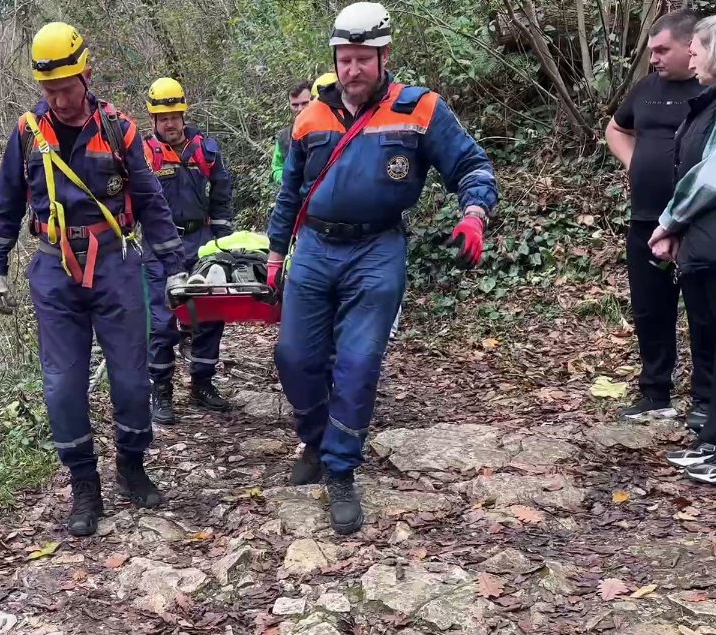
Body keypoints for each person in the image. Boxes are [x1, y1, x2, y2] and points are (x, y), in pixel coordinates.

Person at [266, 1, 498, 534]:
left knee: (358, 360)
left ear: (383, 56)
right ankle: (316, 437)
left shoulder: (419, 110)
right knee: (294, 356)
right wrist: (277, 254)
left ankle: (341, 468)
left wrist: (474, 214)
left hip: (378, 250)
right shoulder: (310, 118)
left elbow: (471, 164)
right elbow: (289, 195)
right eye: (344, 59)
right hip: (316, 249)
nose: (352, 69)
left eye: (363, 59)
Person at [0, 23, 187, 537]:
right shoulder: (29, 132)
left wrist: (175, 268)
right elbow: (6, 202)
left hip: (116, 262)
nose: (59, 99)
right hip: (54, 269)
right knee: (62, 386)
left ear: (86, 75)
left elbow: (152, 202)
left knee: (132, 378)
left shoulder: (120, 130)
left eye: (67, 88)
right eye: (49, 91)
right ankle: (84, 487)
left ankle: (132, 468)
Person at [606, 9, 712, 429]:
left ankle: (705, 399)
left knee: (704, 314)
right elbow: (616, 129)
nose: (654, 58)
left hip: (696, 223)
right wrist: (636, 165)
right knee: (650, 309)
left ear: (692, 47)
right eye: (651, 51)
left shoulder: (708, 91)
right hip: (645, 220)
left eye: (662, 49)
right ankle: (655, 393)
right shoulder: (646, 89)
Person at [143, 77, 235, 424]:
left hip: (203, 241)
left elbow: (222, 196)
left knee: (210, 313)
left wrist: (222, 242)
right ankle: (161, 390)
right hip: (159, 248)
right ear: (153, 119)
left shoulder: (205, 150)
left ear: (184, 113)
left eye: (175, 116)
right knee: (164, 322)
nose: (170, 124)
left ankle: (202, 383)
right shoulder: (144, 155)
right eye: (163, 118)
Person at [653, 16, 716, 482]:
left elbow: (709, 177)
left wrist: (670, 219)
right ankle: (710, 442)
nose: (690, 56)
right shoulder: (706, 105)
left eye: (696, 47)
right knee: (708, 346)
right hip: (701, 247)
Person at [272, 80, 313, 185]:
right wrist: (286, 180)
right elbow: (277, 168)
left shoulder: (330, 129)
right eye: (295, 105)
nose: (300, 109)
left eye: (305, 103)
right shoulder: (284, 136)